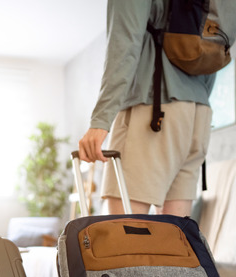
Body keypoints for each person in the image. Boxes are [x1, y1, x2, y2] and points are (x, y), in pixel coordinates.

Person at [77, 0, 216, 217]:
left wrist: (101, 121)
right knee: (173, 238)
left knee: (122, 236)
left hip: (154, 110)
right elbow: (213, 51)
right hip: (198, 115)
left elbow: (124, 44)